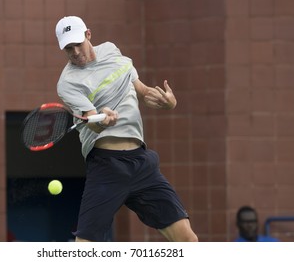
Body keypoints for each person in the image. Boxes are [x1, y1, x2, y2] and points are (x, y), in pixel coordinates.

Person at [55, 16, 198, 242]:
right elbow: (93, 120)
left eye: (78, 44)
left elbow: (141, 91)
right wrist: (103, 120)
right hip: (106, 166)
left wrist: (168, 102)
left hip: (142, 163)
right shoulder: (68, 83)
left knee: (188, 241)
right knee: (84, 247)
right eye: (68, 48)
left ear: (88, 35)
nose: (75, 52)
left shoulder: (111, 51)